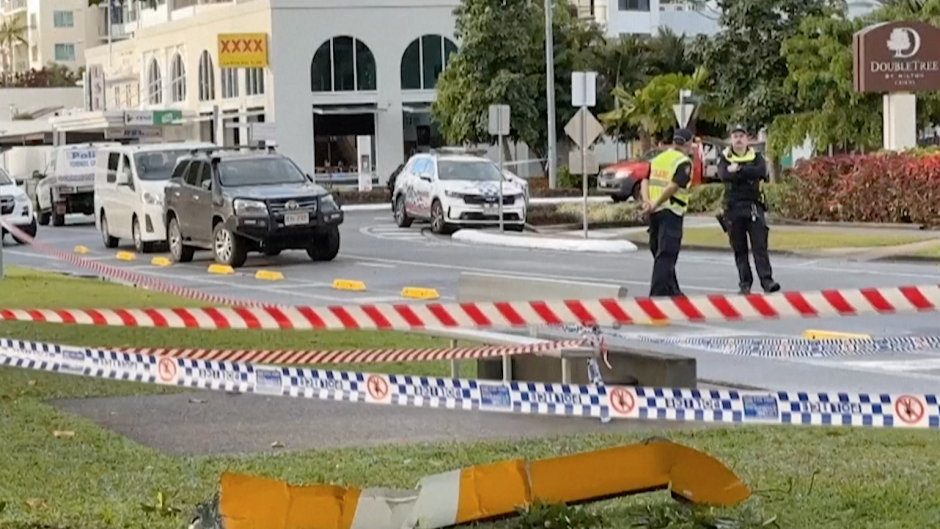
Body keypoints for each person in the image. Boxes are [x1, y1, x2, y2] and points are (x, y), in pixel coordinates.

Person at [717, 124, 781, 295]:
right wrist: (743, 173)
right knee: (739, 249)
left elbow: (760, 171)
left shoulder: (756, 157)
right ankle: (745, 283)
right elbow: (724, 175)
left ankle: (767, 281)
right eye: (735, 136)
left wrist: (738, 170)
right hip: (733, 208)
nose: (738, 139)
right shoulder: (724, 157)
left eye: (741, 136)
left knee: (760, 246)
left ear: (747, 139)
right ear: (731, 139)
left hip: (753, 206)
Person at [641, 128, 695, 297]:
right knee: (666, 254)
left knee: (659, 252)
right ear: (688, 143)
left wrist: (647, 202)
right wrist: (655, 202)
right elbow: (674, 186)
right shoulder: (683, 162)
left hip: (654, 213)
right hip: (671, 211)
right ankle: (656, 295)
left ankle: (673, 291)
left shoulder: (658, 159)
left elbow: (645, 180)